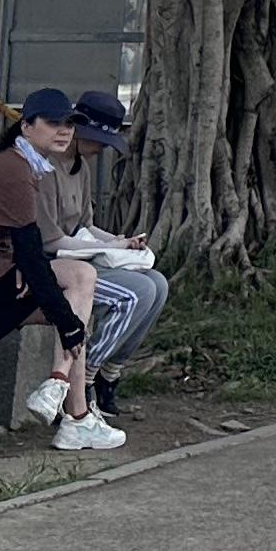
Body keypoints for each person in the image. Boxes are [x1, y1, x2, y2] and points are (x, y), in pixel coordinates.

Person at [0, 89, 123, 452]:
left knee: (81, 292)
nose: (64, 131)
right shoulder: (12, 168)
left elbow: (24, 252)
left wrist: (67, 320)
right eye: (53, 123)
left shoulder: (27, 163)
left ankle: (72, 410)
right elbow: (31, 252)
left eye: (70, 123)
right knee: (79, 291)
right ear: (26, 125)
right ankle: (69, 403)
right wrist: (66, 324)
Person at [29, 88, 170, 426]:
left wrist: (122, 242)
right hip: (55, 262)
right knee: (138, 293)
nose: (99, 150)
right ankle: (88, 373)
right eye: (97, 141)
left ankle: (111, 371)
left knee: (159, 285)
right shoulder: (46, 171)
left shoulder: (82, 170)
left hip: (82, 255)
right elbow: (52, 240)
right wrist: (110, 249)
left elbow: (86, 226)